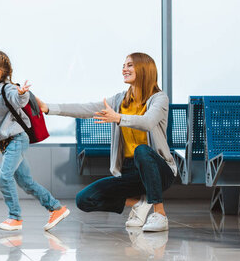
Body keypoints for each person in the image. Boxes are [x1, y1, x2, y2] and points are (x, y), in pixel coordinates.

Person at [37, 52, 176, 232]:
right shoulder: (119, 100)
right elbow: (86, 109)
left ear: (144, 69)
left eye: (130, 65)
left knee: (142, 150)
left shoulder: (159, 98)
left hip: (159, 170)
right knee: (84, 199)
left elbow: (148, 122)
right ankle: (140, 203)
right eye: (124, 65)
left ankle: (160, 214)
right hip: (130, 171)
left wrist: (118, 118)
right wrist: (49, 108)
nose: (124, 69)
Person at [0, 50, 69, 231]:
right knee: (26, 182)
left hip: (17, 139)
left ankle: (15, 217)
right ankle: (57, 208)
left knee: (4, 177)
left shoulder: (7, 89)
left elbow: (17, 99)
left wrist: (22, 93)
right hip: (5, 143)